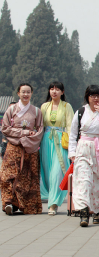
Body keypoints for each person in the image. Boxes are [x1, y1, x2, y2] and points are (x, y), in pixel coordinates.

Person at [68, 85, 99, 227]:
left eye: (98, 96)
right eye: (92, 96)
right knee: (84, 181)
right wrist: (72, 152)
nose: (95, 98)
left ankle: (97, 212)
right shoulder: (81, 112)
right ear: (87, 97)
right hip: (84, 148)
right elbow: (73, 134)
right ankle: (83, 212)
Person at [0, 83, 44, 215]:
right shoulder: (11, 109)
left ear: (31, 94)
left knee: (28, 178)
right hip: (14, 147)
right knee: (8, 175)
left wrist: (30, 139)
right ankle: (9, 203)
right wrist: (22, 134)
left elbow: (40, 130)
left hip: (29, 149)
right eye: (23, 92)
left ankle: (27, 206)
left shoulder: (36, 111)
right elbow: (5, 128)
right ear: (18, 93)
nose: (25, 94)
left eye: (28, 92)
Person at [40, 82, 74, 215]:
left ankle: (53, 204)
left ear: (62, 92)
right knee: (48, 173)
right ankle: (51, 197)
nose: (54, 91)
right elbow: (39, 125)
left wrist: (72, 146)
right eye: (52, 89)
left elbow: (71, 126)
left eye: (57, 89)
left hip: (60, 141)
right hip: (46, 141)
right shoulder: (44, 106)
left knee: (57, 172)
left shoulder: (66, 106)